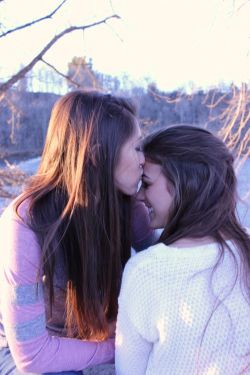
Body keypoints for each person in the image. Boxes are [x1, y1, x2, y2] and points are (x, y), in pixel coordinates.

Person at [0, 90, 156, 375]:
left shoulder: (125, 204)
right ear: (98, 155)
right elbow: (32, 357)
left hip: (95, 339)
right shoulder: (24, 225)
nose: (143, 159)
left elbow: (166, 265)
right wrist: (120, 347)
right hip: (28, 352)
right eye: (136, 147)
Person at [115, 125, 250, 375]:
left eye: (147, 183)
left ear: (182, 184)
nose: (139, 196)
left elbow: (129, 370)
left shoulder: (146, 272)